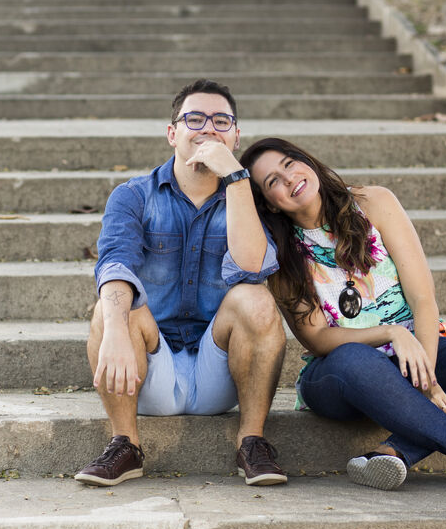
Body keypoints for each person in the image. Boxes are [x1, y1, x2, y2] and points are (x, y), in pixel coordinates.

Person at [239, 137, 446, 493]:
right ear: (268, 204)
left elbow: (422, 298)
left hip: (414, 353)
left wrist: (429, 379)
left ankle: (393, 451)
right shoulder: (280, 252)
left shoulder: (373, 202)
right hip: (340, 378)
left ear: (307, 161)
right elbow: (317, 339)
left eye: (289, 164)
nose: (288, 179)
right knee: (353, 358)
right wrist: (391, 332)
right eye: (273, 181)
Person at [75, 80, 288, 487]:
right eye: (195, 118)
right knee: (111, 304)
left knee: (255, 298)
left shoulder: (247, 198)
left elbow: (253, 267)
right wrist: (117, 328)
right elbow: (115, 263)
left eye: (221, 120)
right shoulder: (133, 195)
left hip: (220, 370)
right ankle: (125, 445)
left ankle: (252, 441)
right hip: (150, 367)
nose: (208, 128)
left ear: (236, 136)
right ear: (173, 133)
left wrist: (237, 179)